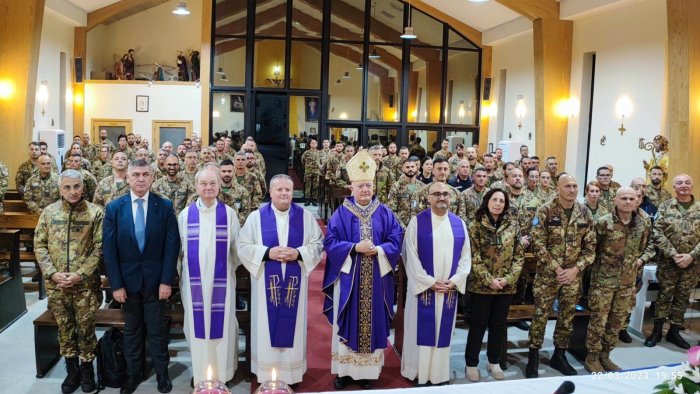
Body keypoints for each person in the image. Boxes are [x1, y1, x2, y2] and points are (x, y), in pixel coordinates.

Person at [322, 150, 403, 390]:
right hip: (349, 280)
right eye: (360, 186)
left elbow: (396, 240)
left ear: (374, 186)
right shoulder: (341, 213)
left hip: (377, 279)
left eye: (369, 185)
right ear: (351, 188)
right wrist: (354, 247)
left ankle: (367, 372)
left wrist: (378, 250)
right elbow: (330, 242)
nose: (365, 190)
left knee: (373, 321)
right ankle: (345, 371)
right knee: (348, 319)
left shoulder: (385, 213)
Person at [103, 159, 180, 393]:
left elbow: (172, 246)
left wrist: (167, 280)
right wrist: (115, 285)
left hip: (157, 283)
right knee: (132, 332)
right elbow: (109, 249)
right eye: (135, 174)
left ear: (152, 177)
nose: (140, 179)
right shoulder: (115, 208)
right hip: (127, 284)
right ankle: (132, 375)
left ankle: (162, 375)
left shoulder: (164, 206)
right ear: (127, 177)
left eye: (145, 174)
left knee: (157, 332)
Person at [238, 174, 324, 385]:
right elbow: (243, 246)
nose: (284, 193)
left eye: (288, 190)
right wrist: (268, 253)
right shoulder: (256, 217)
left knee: (292, 325)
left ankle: (291, 374)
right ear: (270, 192)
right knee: (266, 325)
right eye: (279, 190)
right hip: (264, 284)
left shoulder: (304, 217)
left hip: (295, 281)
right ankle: (267, 373)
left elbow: (318, 243)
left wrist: (299, 253)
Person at [35, 170, 103, 394]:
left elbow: (99, 248)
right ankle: (72, 371)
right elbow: (40, 245)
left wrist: (81, 274)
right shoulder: (49, 212)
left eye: (76, 187)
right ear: (60, 188)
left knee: (86, 330)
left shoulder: (95, 213)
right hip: (57, 286)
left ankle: (86, 372)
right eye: (67, 187)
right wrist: (52, 273)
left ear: (83, 187)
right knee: (65, 329)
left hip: (84, 286)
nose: (72, 192)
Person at [525, 175, 596, 378]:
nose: (572, 190)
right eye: (568, 186)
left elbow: (590, 249)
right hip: (548, 274)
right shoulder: (545, 210)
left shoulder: (584, 212)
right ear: (558, 188)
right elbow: (537, 243)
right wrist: (557, 268)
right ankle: (534, 355)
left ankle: (559, 354)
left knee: (567, 317)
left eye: (575, 186)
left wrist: (575, 269)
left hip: (573, 276)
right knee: (540, 315)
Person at [401, 182, 471, 385]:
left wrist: (455, 281)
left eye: (446, 194)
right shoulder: (417, 222)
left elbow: (466, 257)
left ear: (451, 198)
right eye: (437, 194)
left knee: (443, 331)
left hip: (448, 289)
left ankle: (439, 374)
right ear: (428, 197)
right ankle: (418, 373)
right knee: (419, 331)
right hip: (424, 290)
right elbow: (410, 257)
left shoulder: (459, 224)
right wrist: (429, 282)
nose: (442, 197)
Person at [179, 167, 240, 385]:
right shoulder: (185, 216)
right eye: (203, 183)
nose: (208, 188)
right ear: (196, 186)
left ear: (218, 186)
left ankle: (222, 373)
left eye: (212, 183)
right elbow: (179, 254)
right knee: (196, 328)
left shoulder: (229, 214)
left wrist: (224, 268)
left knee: (223, 327)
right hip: (194, 284)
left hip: (222, 283)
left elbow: (237, 250)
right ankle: (201, 373)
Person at [584, 188, 652, 373]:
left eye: (632, 198)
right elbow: (590, 250)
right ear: (615, 200)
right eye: (624, 198)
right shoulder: (603, 223)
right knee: (598, 322)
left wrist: (641, 260)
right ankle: (592, 358)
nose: (628, 202)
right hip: (603, 283)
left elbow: (649, 246)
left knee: (616, 323)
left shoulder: (641, 224)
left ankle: (606, 356)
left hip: (627, 284)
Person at [464, 188, 523, 381]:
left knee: (499, 325)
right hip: (482, 286)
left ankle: (494, 361)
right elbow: (473, 257)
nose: (498, 203)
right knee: (478, 324)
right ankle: (471, 363)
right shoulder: (475, 225)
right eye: (494, 199)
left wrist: (508, 279)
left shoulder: (512, 225)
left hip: (505, 286)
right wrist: (489, 280)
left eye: (502, 201)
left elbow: (519, 256)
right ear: (487, 201)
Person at [644, 174, 700, 350]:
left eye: (687, 182)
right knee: (664, 296)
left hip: (692, 263)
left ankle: (674, 332)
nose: (684, 185)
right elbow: (657, 232)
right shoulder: (665, 206)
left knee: (683, 297)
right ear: (674, 187)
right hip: (669, 262)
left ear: (692, 186)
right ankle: (657, 330)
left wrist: (691, 255)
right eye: (679, 183)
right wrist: (674, 254)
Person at [387, 157, 422, 228]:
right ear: (403, 169)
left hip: (419, 226)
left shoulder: (422, 187)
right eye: (407, 167)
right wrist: (402, 227)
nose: (410, 169)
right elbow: (392, 210)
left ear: (416, 168)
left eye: (412, 167)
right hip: (400, 227)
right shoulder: (396, 187)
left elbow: (426, 209)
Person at [301, 139, 322, 206]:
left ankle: (314, 200)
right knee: (308, 185)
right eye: (312, 143)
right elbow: (302, 161)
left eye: (315, 143)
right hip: (308, 172)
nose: (313, 144)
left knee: (315, 186)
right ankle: (307, 200)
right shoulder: (306, 152)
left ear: (317, 144)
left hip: (316, 172)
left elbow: (321, 162)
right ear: (310, 144)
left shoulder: (319, 152)